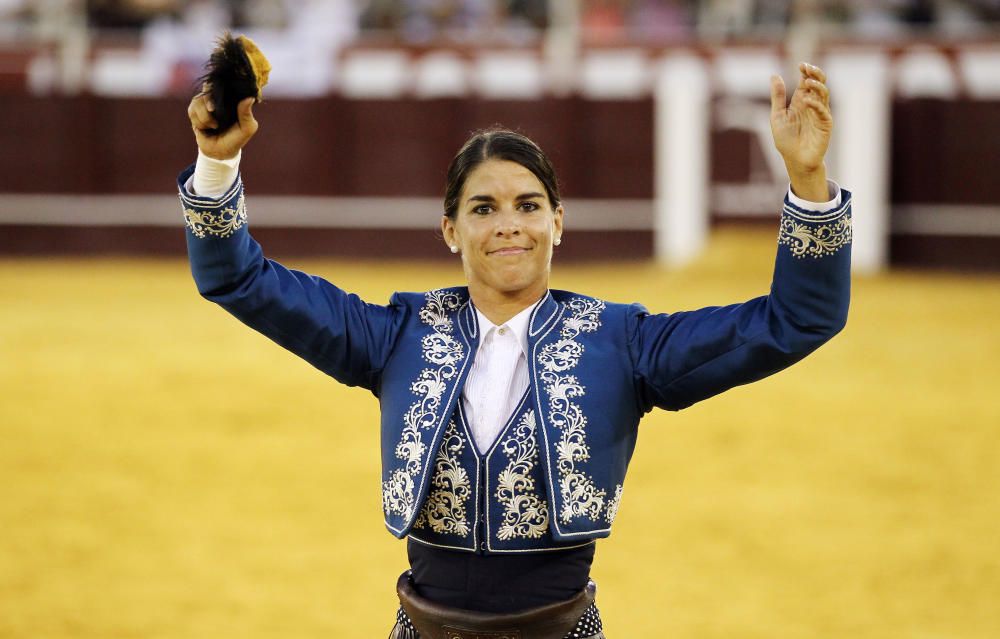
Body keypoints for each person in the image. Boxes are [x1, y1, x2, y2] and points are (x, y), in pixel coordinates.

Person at [178, 62, 850, 639]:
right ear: (450, 229)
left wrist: (808, 179)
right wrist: (217, 161)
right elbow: (236, 277)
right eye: (483, 208)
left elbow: (796, 318)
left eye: (529, 206)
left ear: (558, 222)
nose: (508, 225)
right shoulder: (396, 333)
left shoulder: (624, 342)